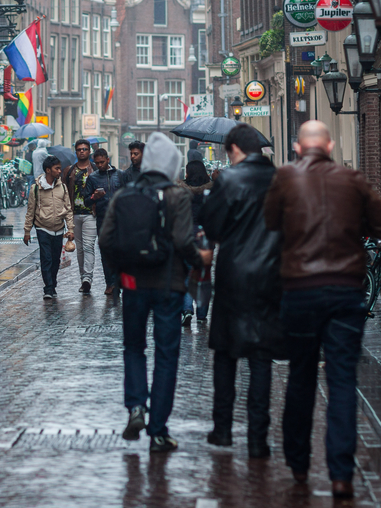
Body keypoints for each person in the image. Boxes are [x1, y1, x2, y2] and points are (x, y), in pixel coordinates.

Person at [263, 120, 381, 499]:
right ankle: (341, 474)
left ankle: (299, 462)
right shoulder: (352, 179)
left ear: (298, 147)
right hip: (343, 292)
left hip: (300, 292)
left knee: (301, 377)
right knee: (342, 381)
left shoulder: (286, 177)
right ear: (331, 145)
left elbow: (270, 222)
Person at [99, 133, 213, 453]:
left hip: (133, 285)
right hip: (169, 284)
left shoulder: (123, 195)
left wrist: (121, 270)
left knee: (133, 347)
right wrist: (199, 260)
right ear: (172, 165)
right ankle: (159, 431)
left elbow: (106, 240)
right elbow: (182, 241)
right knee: (166, 355)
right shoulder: (178, 196)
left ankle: (136, 406)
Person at [198, 123, 283, 457]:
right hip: (270, 274)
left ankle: (222, 430)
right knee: (261, 358)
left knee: (226, 353)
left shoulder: (229, 180)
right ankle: (258, 439)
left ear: (233, 150)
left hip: (234, 275)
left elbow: (213, 226)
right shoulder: (280, 180)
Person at [23, 155, 74, 300]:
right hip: (42, 227)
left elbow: (68, 209)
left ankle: (53, 283)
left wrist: (70, 229)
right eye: (57, 168)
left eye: (59, 168)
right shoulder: (35, 189)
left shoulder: (62, 187)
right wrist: (27, 231)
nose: (60, 171)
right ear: (48, 170)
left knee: (56, 259)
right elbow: (30, 211)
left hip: (59, 228)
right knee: (46, 258)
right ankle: (48, 288)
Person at [82, 148, 127, 296]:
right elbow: (86, 201)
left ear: (108, 160)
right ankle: (110, 283)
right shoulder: (93, 178)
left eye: (102, 162)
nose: (100, 165)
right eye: (97, 163)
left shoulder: (120, 175)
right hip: (103, 219)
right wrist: (95, 197)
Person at [177, 159, 214, 324]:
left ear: (188, 173)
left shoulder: (180, 190)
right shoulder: (212, 190)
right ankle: (201, 313)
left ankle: (186, 309)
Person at [62, 139, 97, 294]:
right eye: (79, 149)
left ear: (89, 151)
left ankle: (87, 279)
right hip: (74, 214)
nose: (82, 151)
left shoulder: (95, 169)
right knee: (80, 249)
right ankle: (83, 276)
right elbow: (63, 192)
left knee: (89, 246)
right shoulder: (69, 171)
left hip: (91, 213)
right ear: (75, 152)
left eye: (84, 149)